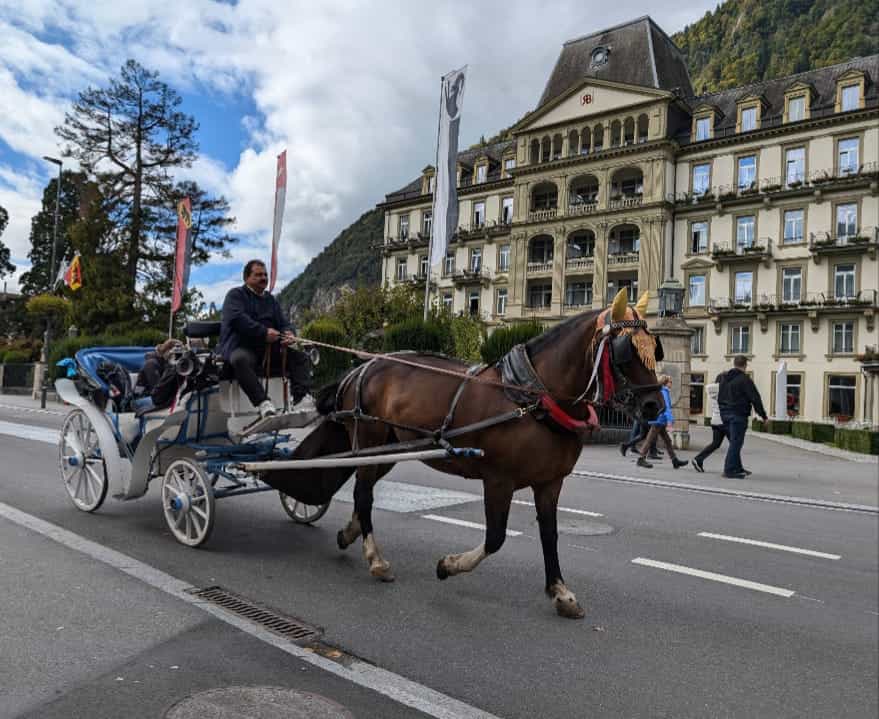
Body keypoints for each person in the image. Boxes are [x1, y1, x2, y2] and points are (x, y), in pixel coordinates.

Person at [217, 260, 312, 419]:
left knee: (300, 358)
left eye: (265, 274)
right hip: (242, 347)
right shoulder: (235, 295)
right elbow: (237, 319)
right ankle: (263, 403)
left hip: (268, 350)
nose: (264, 278)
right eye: (258, 275)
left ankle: (302, 399)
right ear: (247, 278)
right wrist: (263, 332)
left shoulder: (271, 300)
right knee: (239, 360)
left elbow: (284, 322)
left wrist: (289, 333)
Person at [717, 355, 767, 479]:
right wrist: (763, 416)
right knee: (736, 443)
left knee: (734, 442)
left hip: (724, 414)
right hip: (738, 414)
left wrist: (722, 410)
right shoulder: (745, 380)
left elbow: (719, 397)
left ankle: (738, 467)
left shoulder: (723, 378)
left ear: (734, 364)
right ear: (745, 365)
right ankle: (729, 470)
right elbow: (755, 398)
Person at [635, 374, 687, 470]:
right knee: (650, 439)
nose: (671, 383)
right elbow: (666, 407)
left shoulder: (661, 391)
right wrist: (670, 421)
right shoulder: (664, 392)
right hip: (659, 420)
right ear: (666, 383)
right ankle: (640, 458)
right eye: (670, 381)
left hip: (660, 420)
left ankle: (675, 460)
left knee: (667, 440)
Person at [691, 373, 727, 472]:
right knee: (735, 444)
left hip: (715, 421)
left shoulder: (710, 390)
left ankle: (698, 459)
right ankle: (733, 467)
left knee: (715, 444)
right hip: (724, 421)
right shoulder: (725, 390)